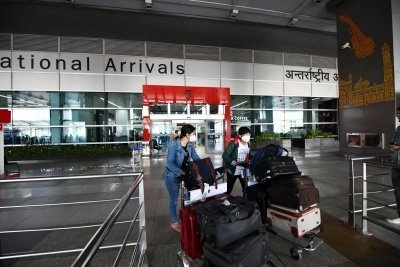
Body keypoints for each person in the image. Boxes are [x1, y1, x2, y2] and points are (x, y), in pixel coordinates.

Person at [163, 124, 201, 232]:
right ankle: (174, 222)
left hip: (185, 175)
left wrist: (205, 165)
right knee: (174, 200)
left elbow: (196, 158)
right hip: (172, 175)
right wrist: (181, 172)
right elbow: (170, 163)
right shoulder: (174, 145)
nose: (194, 135)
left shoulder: (190, 145)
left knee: (188, 198)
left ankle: (186, 217)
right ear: (187, 134)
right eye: (193, 133)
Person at [222, 126, 252, 196]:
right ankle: (224, 200)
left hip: (244, 169)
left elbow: (249, 155)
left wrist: (249, 161)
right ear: (240, 135)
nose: (247, 137)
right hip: (233, 169)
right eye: (245, 135)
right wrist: (234, 163)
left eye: (249, 135)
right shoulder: (234, 144)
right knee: (229, 188)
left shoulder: (248, 144)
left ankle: (246, 201)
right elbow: (225, 156)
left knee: (246, 187)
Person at [387, 107, 400, 224]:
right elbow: (395, 142)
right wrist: (393, 145)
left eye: (399, 114)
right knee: (397, 191)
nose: (397, 116)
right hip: (396, 163)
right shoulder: (398, 129)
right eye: (397, 114)